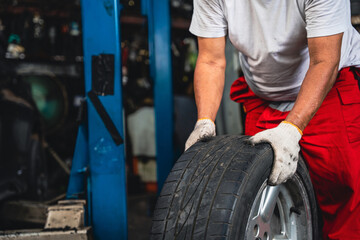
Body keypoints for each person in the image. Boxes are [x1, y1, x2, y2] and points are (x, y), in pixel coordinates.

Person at [184, 0, 360, 239]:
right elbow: (210, 60)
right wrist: (205, 120)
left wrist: (291, 129)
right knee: (255, 183)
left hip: (329, 87)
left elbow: (325, 60)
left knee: (341, 193)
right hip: (263, 95)